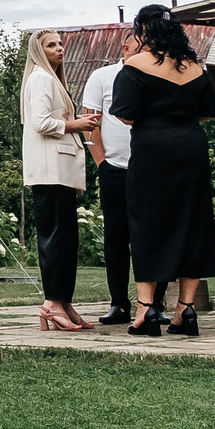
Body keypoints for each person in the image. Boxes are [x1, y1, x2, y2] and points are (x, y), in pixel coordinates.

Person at [110, 4, 215, 337]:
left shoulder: (134, 66)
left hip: (152, 149)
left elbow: (126, 115)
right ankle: (185, 310)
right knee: (193, 221)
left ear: (143, 31)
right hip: (191, 146)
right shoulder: (196, 69)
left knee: (147, 222)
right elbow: (209, 113)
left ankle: (146, 310)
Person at [21, 30, 99, 332]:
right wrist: (75, 124)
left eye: (60, 43)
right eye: (52, 45)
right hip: (49, 170)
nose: (60, 48)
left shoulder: (51, 78)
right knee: (55, 238)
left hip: (60, 171)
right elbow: (40, 122)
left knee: (66, 239)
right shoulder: (40, 78)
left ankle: (64, 301)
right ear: (39, 51)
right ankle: (52, 303)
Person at [77, 31, 137, 324]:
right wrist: (101, 163)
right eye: (143, 43)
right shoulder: (102, 76)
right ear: (126, 46)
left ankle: (155, 303)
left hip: (149, 169)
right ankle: (119, 304)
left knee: (150, 236)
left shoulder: (155, 75)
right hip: (114, 168)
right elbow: (90, 124)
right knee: (116, 238)